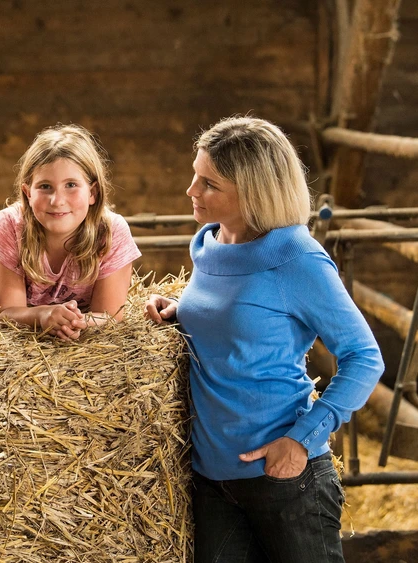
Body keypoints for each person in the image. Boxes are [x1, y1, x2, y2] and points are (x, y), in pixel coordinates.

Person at [144, 116, 384, 562]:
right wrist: (180, 311)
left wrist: (302, 439)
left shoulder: (299, 259)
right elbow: (242, 318)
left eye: (208, 183)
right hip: (211, 478)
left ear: (252, 191)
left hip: (284, 479)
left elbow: (364, 357)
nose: (191, 192)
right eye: (195, 176)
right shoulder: (210, 244)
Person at [0, 124, 140, 340]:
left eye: (71, 185)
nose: (57, 201)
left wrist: (71, 322)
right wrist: (45, 315)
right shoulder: (10, 223)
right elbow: (5, 312)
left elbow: (110, 315)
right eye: (45, 186)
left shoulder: (112, 232)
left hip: (57, 307)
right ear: (27, 192)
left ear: (93, 192)